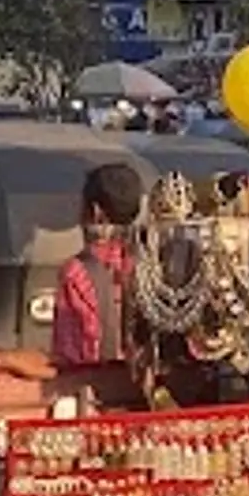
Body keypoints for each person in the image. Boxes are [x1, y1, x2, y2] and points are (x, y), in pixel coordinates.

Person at [48, 160, 144, 376]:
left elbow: (69, 356)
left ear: (95, 211)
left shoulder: (76, 273)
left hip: (100, 389)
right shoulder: (147, 264)